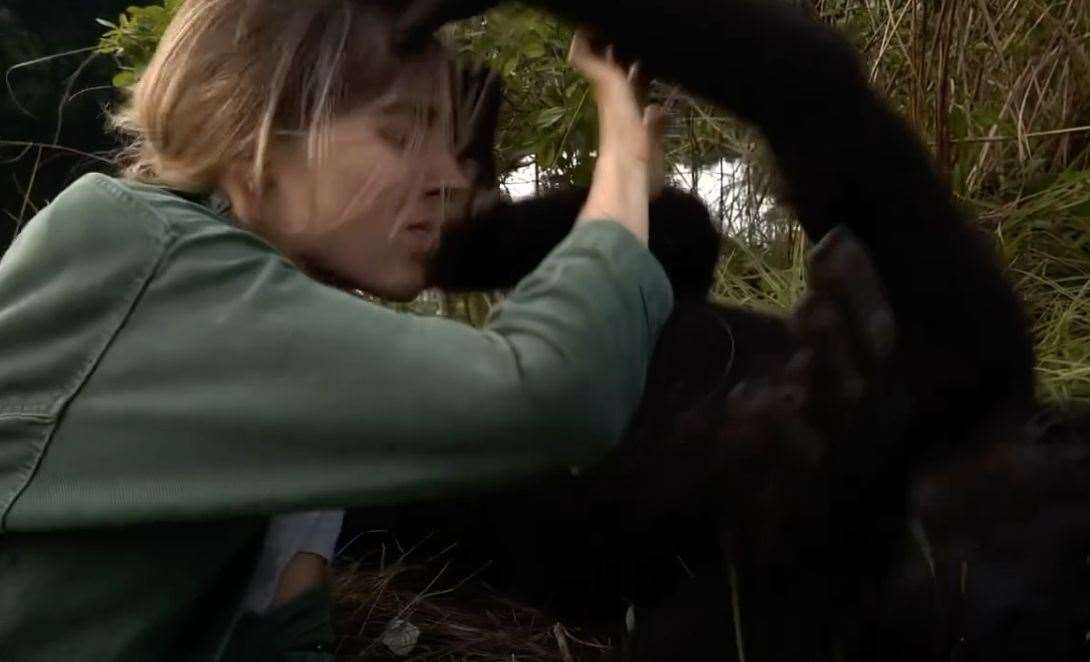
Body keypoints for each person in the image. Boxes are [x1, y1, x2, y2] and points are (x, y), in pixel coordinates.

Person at [0, 1, 671, 660]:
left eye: (449, 144)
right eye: (401, 133)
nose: (447, 179)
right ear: (249, 127)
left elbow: (284, 626)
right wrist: (625, 153)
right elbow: (550, 390)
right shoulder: (142, 259)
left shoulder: (266, 331)